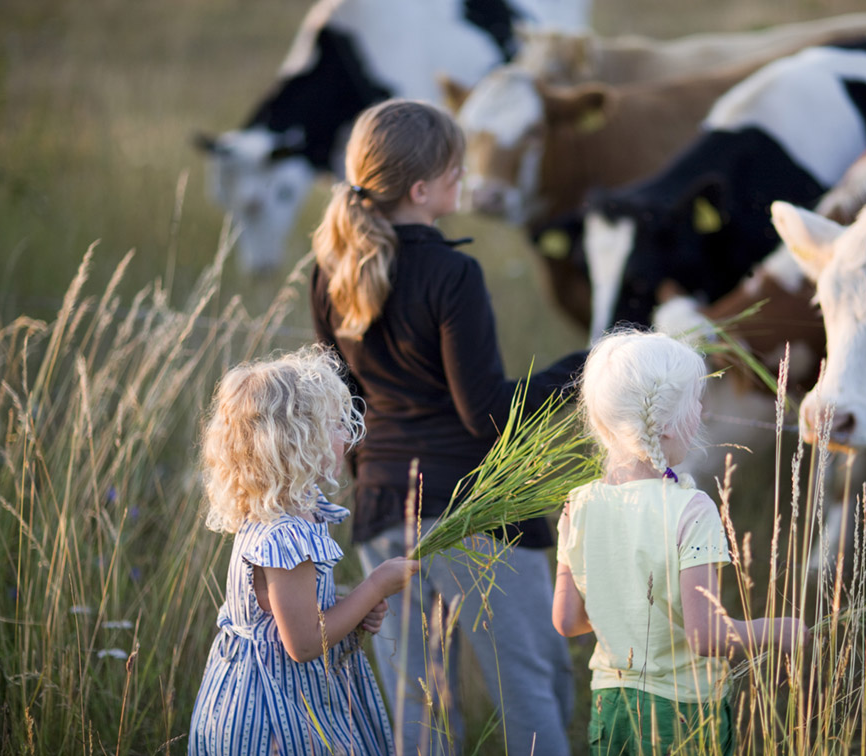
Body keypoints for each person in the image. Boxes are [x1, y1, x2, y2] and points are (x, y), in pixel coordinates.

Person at [309, 98, 584, 756]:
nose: (465, 175)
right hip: (475, 509)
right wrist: (585, 368)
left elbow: (348, 409)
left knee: (418, 700)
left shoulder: (330, 276)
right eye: (454, 166)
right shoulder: (453, 274)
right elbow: (487, 414)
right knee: (530, 683)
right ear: (422, 188)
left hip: (382, 510)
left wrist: (381, 484)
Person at [553, 330, 808, 755]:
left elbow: (567, 621)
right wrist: (775, 630)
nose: (703, 410)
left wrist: (628, 612)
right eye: (694, 400)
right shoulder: (692, 510)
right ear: (666, 426)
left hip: (610, 703)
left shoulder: (577, 505)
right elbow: (704, 636)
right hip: (682, 710)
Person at [188, 346, 420, 756]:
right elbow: (305, 643)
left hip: (256, 689)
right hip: (272, 714)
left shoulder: (286, 511)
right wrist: (375, 588)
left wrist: (351, 605)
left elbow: (292, 613)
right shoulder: (285, 536)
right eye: (333, 425)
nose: (346, 434)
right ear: (295, 440)